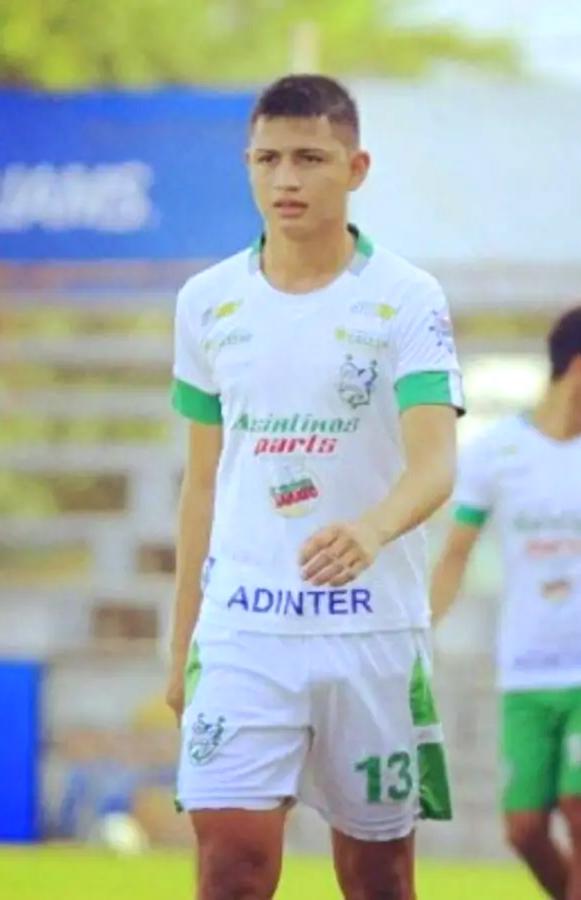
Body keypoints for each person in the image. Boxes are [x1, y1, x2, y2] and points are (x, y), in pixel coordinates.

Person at [167, 73, 463, 900]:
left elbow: (435, 463)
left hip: (368, 630)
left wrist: (369, 529)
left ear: (355, 168)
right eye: (266, 159)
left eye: (309, 158)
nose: (285, 179)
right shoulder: (206, 302)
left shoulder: (406, 298)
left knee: (377, 878)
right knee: (230, 865)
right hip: (243, 629)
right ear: (247, 166)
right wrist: (182, 642)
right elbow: (201, 485)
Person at [431, 306, 581, 900]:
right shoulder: (496, 452)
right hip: (525, 672)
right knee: (523, 828)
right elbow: (455, 554)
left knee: (579, 806)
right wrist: (417, 634)